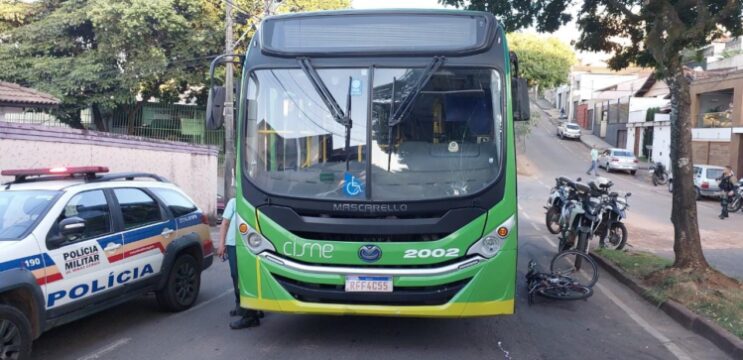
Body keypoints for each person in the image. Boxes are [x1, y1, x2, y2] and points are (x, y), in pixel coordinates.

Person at [217, 197, 261, 329]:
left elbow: (225, 223)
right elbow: (224, 223)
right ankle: (242, 307)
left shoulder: (244, 200)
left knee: (242, 278)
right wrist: (221, 243)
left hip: (246, 244)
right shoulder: (235, 202)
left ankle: (250, 314)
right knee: (239, 276)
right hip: (238, 244)